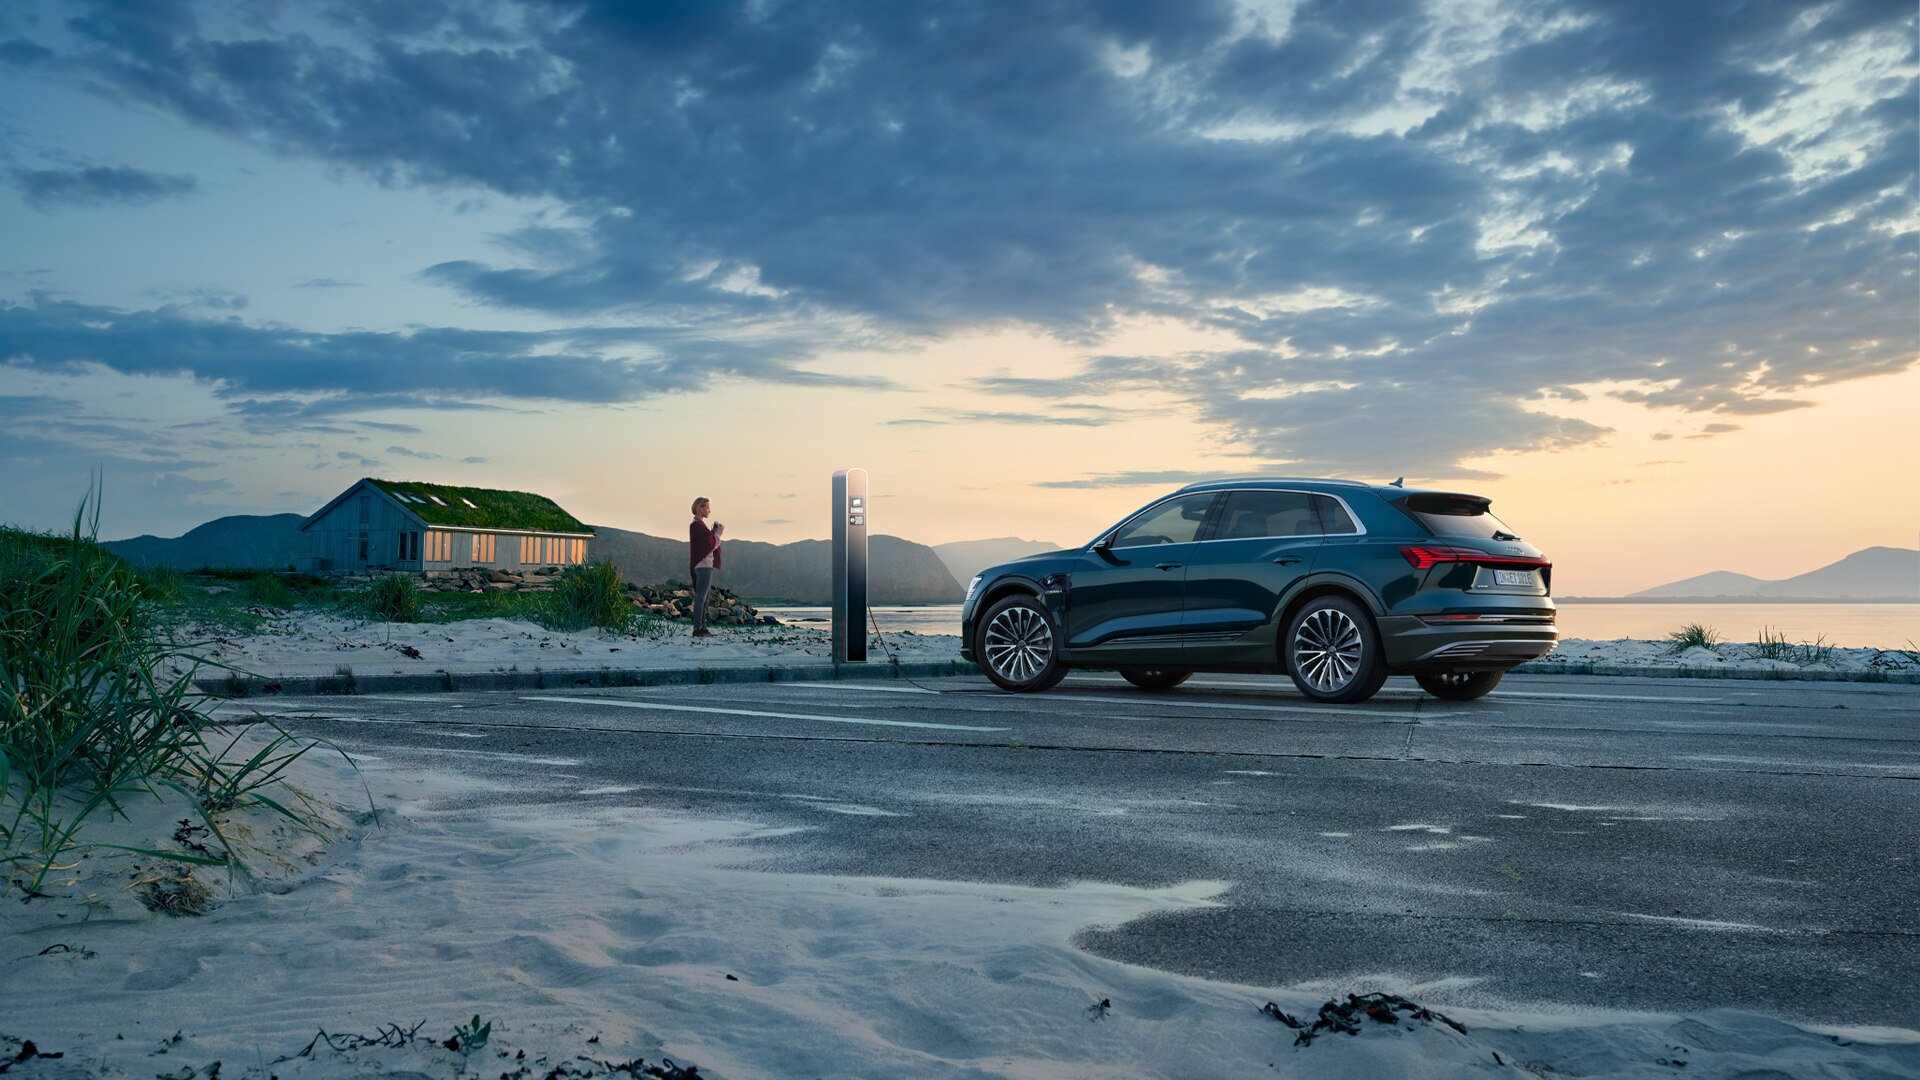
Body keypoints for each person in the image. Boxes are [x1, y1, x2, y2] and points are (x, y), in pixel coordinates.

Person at [688, 496, 723, 637]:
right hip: (703, 566)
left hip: (704, 565)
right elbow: (709, 544)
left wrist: (712, 533)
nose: (709, 511)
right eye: (707, 508)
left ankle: (702, 627)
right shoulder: (696, 525)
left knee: (704, 599)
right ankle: (698, 628)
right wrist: (718, 534)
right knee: (701, 598)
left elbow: (707, 541)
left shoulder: (699, 525)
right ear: (700, 508)